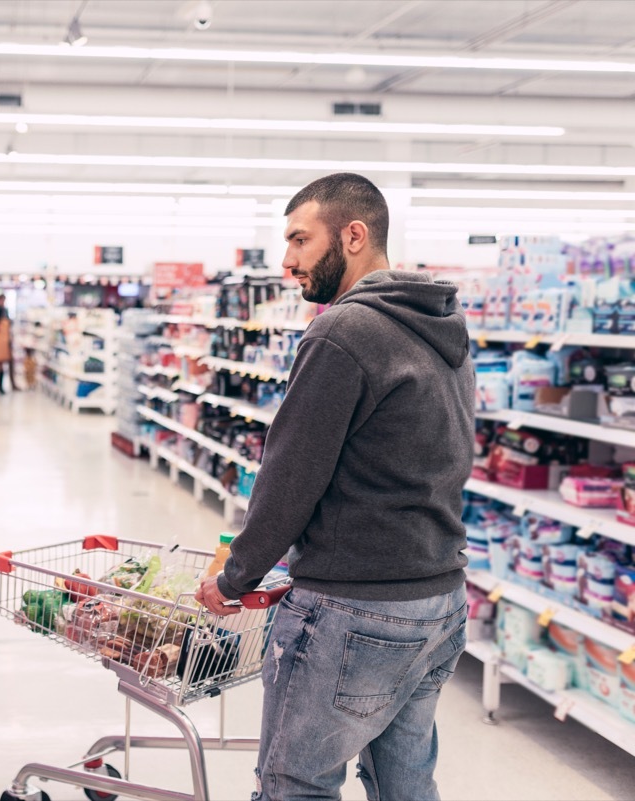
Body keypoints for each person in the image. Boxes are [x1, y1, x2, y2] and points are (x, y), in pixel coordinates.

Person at [194, 173, 475, 801]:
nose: (287, 260)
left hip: (355, 607)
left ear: (353, 236)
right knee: (404, 785)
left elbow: (290, 478)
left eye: (300, 239)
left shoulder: (344, 332)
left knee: (296, 784)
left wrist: (236, 577)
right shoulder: (444, 327)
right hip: (438, 600)